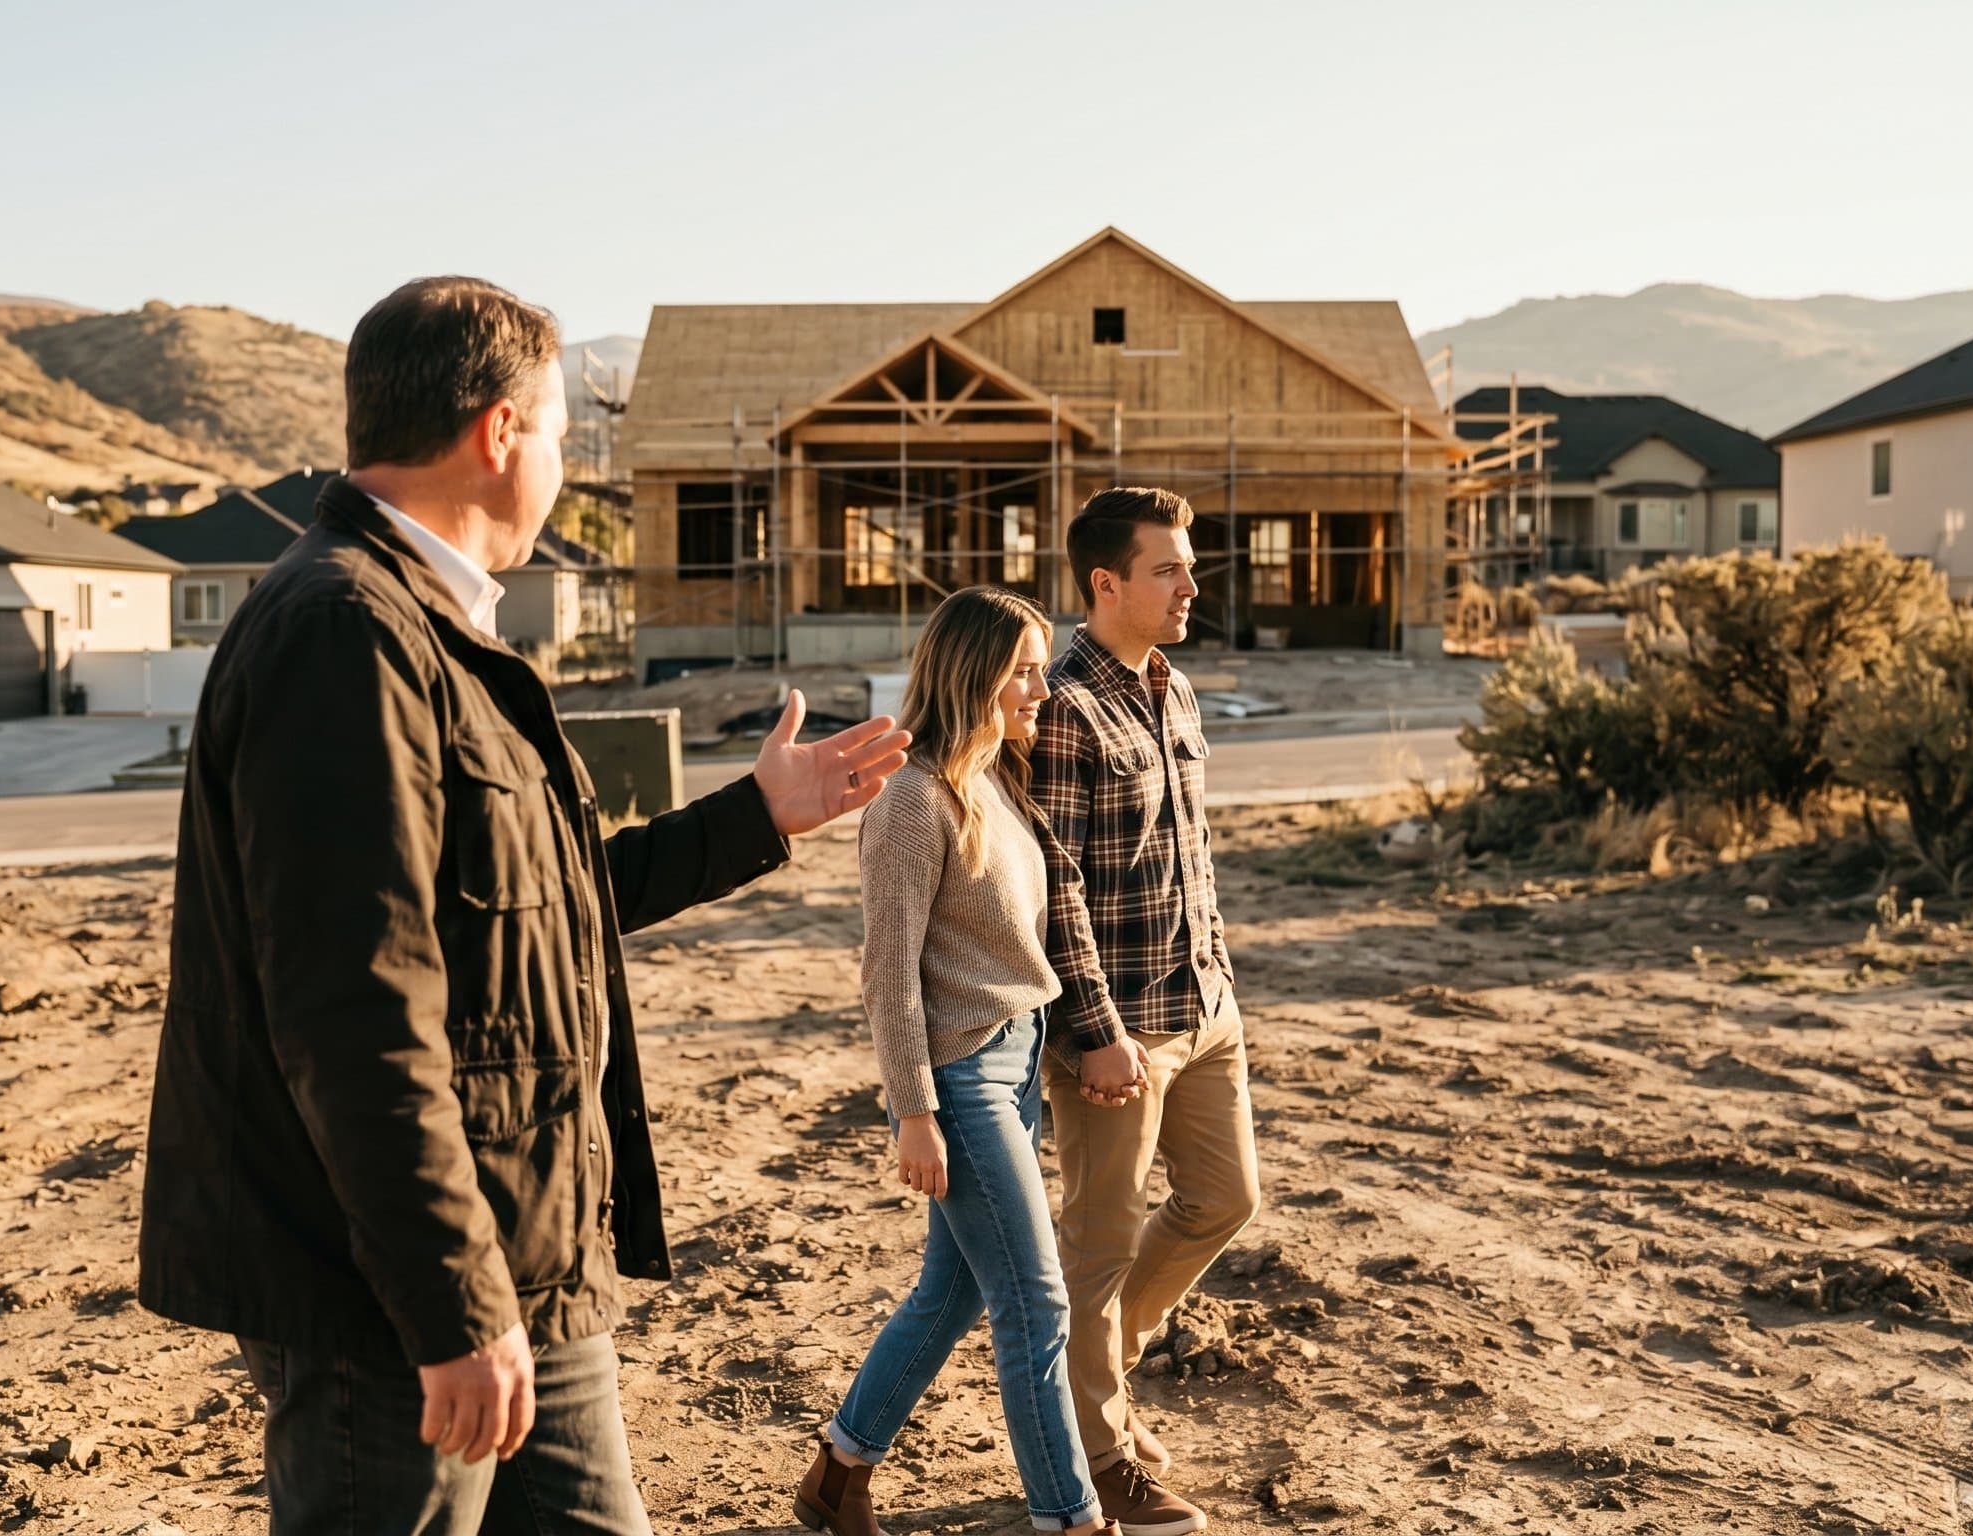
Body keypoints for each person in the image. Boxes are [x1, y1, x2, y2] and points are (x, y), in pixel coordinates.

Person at [137, 274, 910, 1535]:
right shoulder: (345, 633)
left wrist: (752, 819)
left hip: (526, 1251)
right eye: (557, 430)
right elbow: (354, 1004)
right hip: (389, 1289)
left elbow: (537, 909)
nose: (560, 460)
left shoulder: (438, 628)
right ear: (500, 432)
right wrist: (450, 1302)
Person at [795, 587, 1122, 1536]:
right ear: (975, 673)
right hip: (962, 1078)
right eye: (1024, 669)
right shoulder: (910, 799)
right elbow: (886, 974)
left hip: (1017, 1066)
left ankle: (839, 1469)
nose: (1042, 688)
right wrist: (914, 1110)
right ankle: (1072, 1518)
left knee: (954, 1290)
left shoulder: (995, 782)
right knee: (1037, 1301)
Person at [1031, 488, 1262, 1536]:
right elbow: (1059, 881)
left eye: (1189, 566)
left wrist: (1217, 973)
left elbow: (1191, 855)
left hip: (1203, 1003)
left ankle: (1104, 1367)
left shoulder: (1174, 691)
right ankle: (1099, 1455)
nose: (1190, 587)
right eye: (1166, 570)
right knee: (1099, 1241)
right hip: (1117, 1027)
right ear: (1105, 584)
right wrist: (1095, 1030)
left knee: (1225, 1198)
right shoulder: (1064, 707)